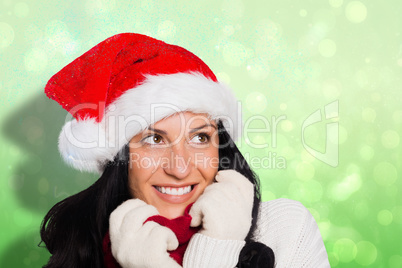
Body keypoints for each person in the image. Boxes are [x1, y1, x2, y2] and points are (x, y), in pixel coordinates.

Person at [40, 33, 330, 268]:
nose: (179, 168)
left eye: (200, 138)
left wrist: (219, 246)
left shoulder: (285, 229)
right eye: (154, 140)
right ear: (121, 160)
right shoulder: (81, 250)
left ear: (221, 148)